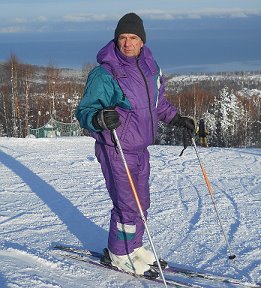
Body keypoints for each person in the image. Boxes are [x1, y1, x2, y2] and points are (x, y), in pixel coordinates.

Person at [76, 12, 195, 277]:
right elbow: (85, 110)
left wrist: (177, 119)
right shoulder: (106, 72)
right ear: (116, 39)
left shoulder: (150, 67)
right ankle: (119, 254)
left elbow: (157, 104)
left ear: (142, 41)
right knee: (127, 204)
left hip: (140, 147)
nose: (127, 43)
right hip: (116, 146)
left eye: (133, 37)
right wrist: (98, 117)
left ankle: (134, 247)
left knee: (141, 202)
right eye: (122, 37)